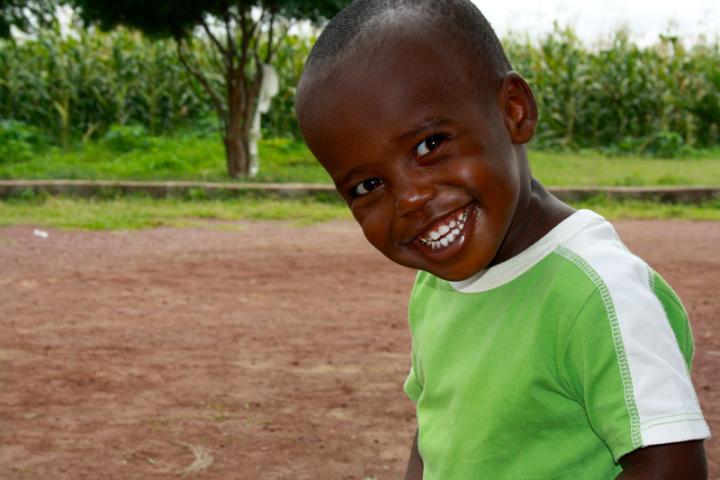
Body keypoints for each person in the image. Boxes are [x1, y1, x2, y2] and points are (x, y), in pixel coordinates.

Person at [294, 0, 711, 478]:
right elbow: (435, 435)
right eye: (367, 186)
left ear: (514, 111)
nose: (408, 199)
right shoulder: (436, 289)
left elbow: (671, 467)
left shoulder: (598, 291)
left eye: (429, 145)